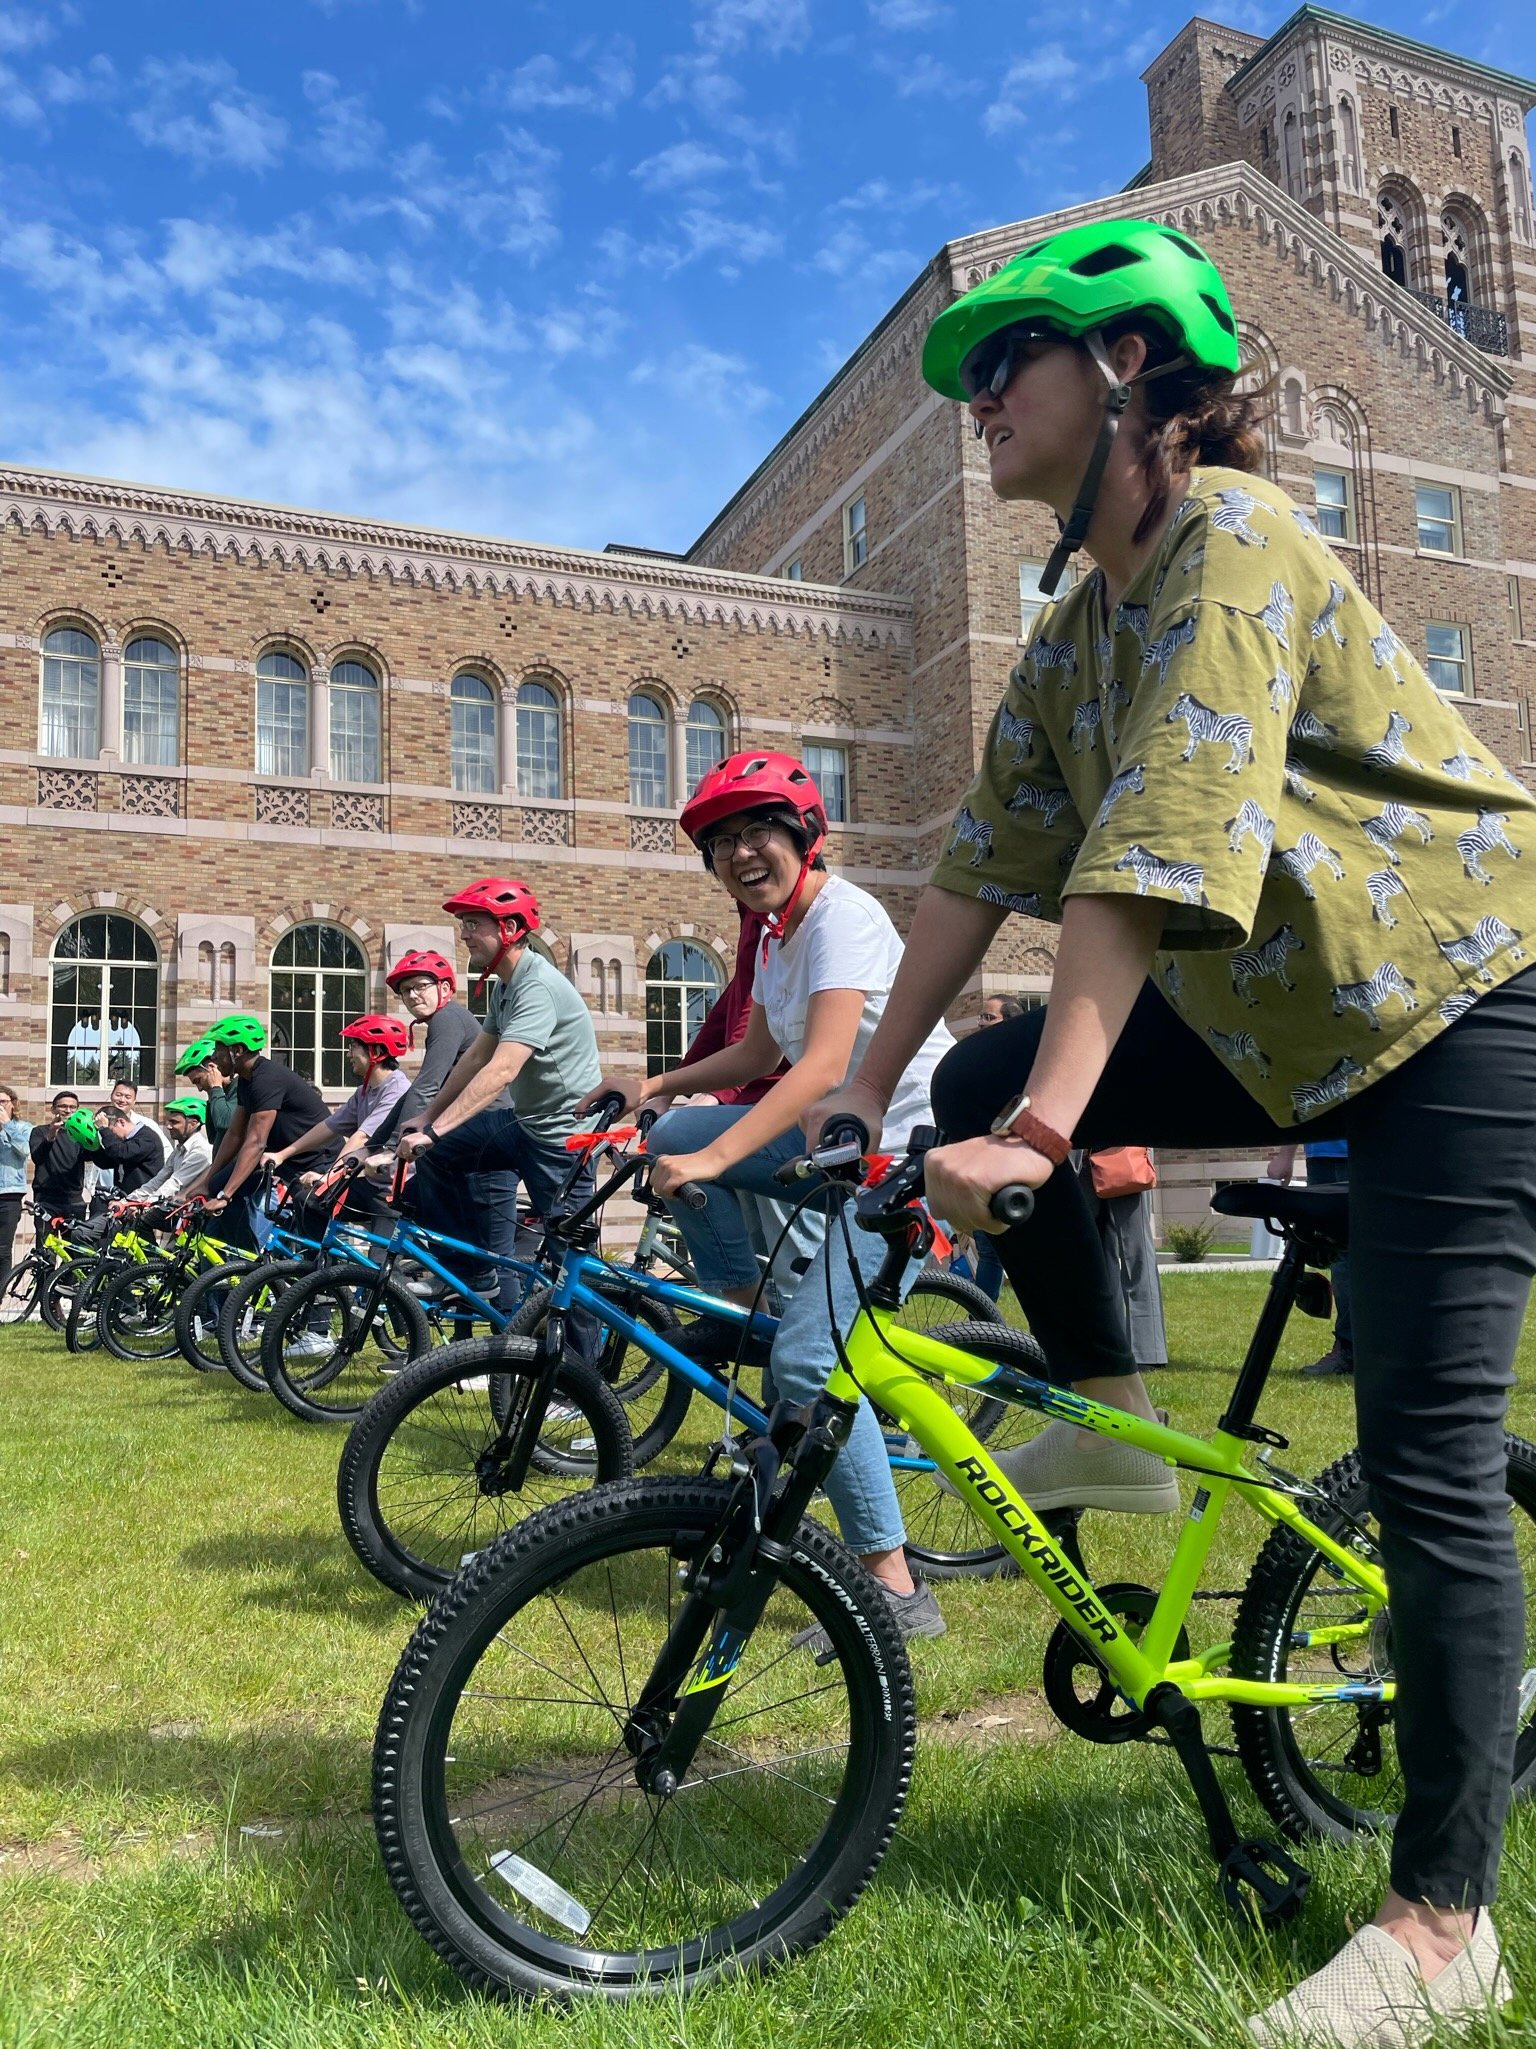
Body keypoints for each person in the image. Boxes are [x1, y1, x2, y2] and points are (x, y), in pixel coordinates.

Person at [808, 215, 1535, 2039]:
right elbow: (977, 876)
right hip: (1304, 1025)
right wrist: (846, 1089)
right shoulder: (1076, 626)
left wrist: (1050, 1130)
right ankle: (1119, 1422)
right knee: (967, 1073)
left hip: (1461, 1004)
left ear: (1128, 367)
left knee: (1432, 1455)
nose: (978, 402)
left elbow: (1149, 853)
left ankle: (1448, 1924)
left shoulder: (1234, 540)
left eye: (1007, 364)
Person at [584, 750, 956, 1648]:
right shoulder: (780, 936)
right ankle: (744, 1295)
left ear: (803, 836)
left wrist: (717, 1153)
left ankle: (897, 1591)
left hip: (900, 1158)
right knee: (666, 1137)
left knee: (806, 1366)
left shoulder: (842, 917)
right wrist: (656, 1085)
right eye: (722, 845)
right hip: (832, 1141)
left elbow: (826, 1065)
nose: (741, 854)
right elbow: (758, 1059)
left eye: (758, 833)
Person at [397, 881, 601, 1330]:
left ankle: (584, 1380)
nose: (464, 934)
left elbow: (501, 1071)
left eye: (474, 925)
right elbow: (476, 1057)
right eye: (463, 925)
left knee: (571, 1264)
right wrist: (429, 1120)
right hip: (526, 1124)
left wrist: (437, 1128)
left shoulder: (537, 985)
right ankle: (472, 1271)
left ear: (508, 928)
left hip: (562, 1140)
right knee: (439, 1157)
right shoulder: (506, 986)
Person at [387, 948, 520, 1265]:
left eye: (420, 986)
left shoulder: (448, 1017)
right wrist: (370, 1143)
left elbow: (428, 1086)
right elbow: (413, 1096)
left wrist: (394, 1148)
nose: (413, 995)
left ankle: (465, 1276)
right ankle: (456, 1276)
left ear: (444, 988)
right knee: (415, 1197)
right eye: (406, 990)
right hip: (474, 1144)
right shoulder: (447, 1019)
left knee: (496, 1261)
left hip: (487, 1147)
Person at [186, 1015, 336, 1246]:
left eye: (218, 1050)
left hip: (318, 1160)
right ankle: (244, 1265)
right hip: (286, 1161)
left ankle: (328, 1279)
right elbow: (235, 1135)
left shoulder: (266, 1079)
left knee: (312, 1246)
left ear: (236, 1050)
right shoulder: (247, 1080)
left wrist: (226, 1195)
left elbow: (256, 1142)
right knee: (218, 1186)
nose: (213, 1058)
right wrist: (208, 1180)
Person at [261, 1014, 411, 1215]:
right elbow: (329, 1127)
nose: (348, 1054)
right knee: (309, 1202)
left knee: (384, 1247)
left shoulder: (397, 1089)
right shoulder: (364, 1091)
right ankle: (316, 1249)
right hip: (369, 1182)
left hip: (393, 1190)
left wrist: (330, 1175)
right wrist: (281, 1155)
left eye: (353, 1047)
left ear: (374, 1051)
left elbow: (362, 1137)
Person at [1267, 1137, 1352, 1376]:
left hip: (1368, 1144)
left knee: (1357, 1253)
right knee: (1341, 1253)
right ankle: (1350, 1349)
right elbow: (1301, 1102)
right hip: (1328, 1152)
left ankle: (1356, 1350)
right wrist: (1286, 1154)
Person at [120, 1097, 213, 1211]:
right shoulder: (178, 1150)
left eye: (174, 1122)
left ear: (193, 1124)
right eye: (169, 1122)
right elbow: (158, 1180)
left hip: (190, 1215)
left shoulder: (201, 1151)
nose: (169, 1126)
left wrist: (146, 1206)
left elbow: (175, 1183)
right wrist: (127, 1202)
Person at [29, 1092, 87, 1221]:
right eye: (63, 1106)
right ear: (53, 1109)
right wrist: (51, 1134)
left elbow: (94, 1157)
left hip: (73, 1199)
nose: (68, 1111)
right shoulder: (40, 1131)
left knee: (74, 1240)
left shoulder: (80, 1135)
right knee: (45, 1241)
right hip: (46, 1199)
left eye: (73, 1107)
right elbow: (37, 1157)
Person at [0, 1084, 33, 1297]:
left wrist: (6, 1126)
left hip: (9, 1194)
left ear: (12, 1104)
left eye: (3, 1102)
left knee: (2, 1249)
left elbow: (25, 1151)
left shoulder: (22, 1128)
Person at [175, 1038, 237, 1151]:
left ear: (211, 1068)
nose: (199, 1089)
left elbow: (224, 1123)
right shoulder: (220, 1094)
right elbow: (213, 1137)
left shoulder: (239, 1087)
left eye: (198, 1080)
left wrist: (215, 1088)